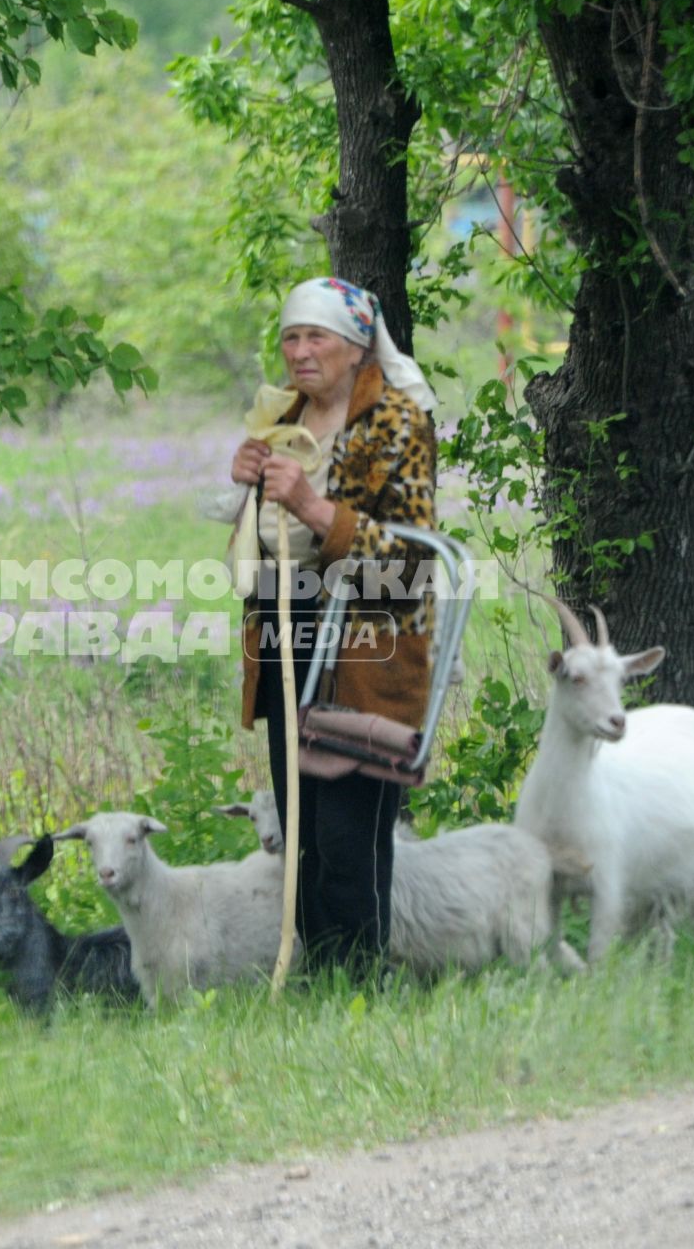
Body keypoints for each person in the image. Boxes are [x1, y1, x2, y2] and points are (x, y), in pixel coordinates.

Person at [229, 276, 440, 976]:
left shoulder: (398, 421)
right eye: (290, 336)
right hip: (289, 639)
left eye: (316, 336)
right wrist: (243, 488)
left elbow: (410, 563)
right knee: (303, 835)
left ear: (356, 347)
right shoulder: (282, 416)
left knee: (349, 837)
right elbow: (261, 539)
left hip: (367, 653)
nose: (299, 351)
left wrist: (317, 509)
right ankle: (321, 982)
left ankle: (360, 986)